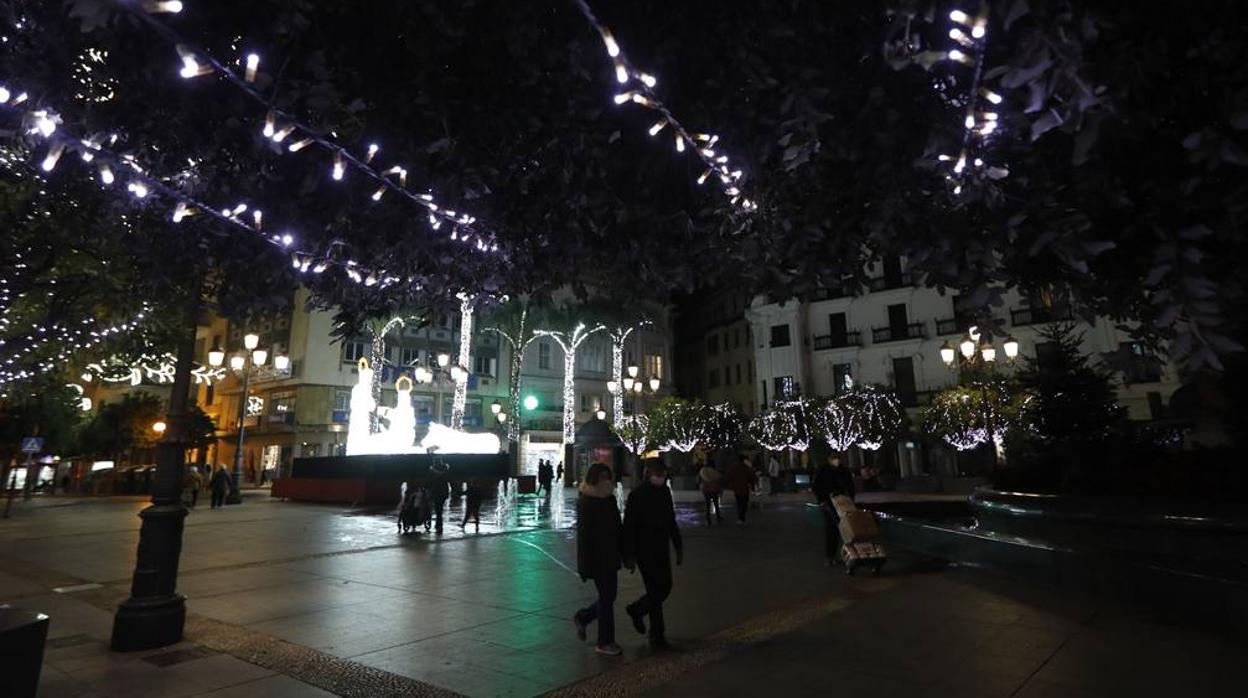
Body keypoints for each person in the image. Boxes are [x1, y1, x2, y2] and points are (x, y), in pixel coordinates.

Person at [623, 460, 683, 650]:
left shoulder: (665, 492)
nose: (661, 476)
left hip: (661, 548)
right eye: (658, 472)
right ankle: (657, 634)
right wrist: (629, 555)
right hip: (644, 550)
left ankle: (637, 610)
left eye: (663, 472)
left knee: (665, 587)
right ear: (648, 473)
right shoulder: (637, 495)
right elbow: (629, 526)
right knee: (655, 590)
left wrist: (678, 545)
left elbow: (671, 519)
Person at [573, 463, 624, 656]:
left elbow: (618, 528)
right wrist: (584, 566)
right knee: (607, 598)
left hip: (611, 556)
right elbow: (584, 537)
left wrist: (625, 553)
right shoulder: (586, 502)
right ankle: (604, 641)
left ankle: (584, 617)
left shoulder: (609, 499)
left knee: (609, 597)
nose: (606, 481)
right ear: (594, 478)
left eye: (608, 477)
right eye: (602, 477)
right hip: (597, 559)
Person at [813, 454, 856, 565]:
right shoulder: (823, 471)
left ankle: (848, 554)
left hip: (843, 502)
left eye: (837, 458)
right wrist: (822, 500)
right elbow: (817, 486)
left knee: (846, 529)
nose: (836, 461)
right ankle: (830, 556)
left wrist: (850, 498)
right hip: (828, 503)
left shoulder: (843, 471)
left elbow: (850, 486)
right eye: (834, 458)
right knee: (831, 529)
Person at [725, 455, 758, 524]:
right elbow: (751, 477)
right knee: (744, 502)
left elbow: (729, 476)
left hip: (737, 488)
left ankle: (740, 516)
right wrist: (753, 485)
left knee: (739, 501)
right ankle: (741, 516)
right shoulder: (746, 468)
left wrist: (730, 484)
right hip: (744, 487)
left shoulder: (733, 468)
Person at [428, 459, 451, 534]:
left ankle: (438, 525)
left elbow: (429, 482)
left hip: (435, 492)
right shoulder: (446, 472)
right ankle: (439, 525)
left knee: (437, 509)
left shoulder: (432, 472)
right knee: (439, 509)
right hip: (444, 493)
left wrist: (426, 489)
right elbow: (450, 481)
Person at [697, 460, 723, 525]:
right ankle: (718, 517)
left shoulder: (703, 470)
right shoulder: (715, 471)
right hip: (715, 489)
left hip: (706, 489)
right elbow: (719, 479)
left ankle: (708, 518)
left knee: (707, 504)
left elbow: (699, 480)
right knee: (716, 503)